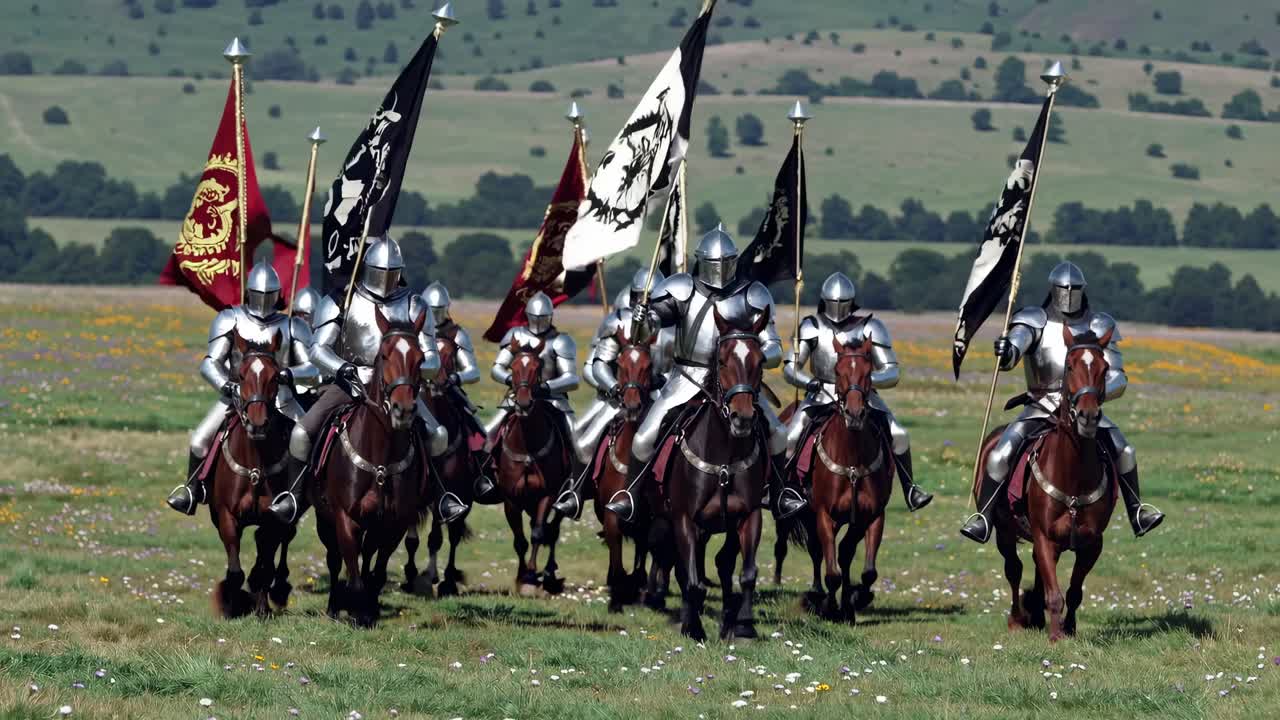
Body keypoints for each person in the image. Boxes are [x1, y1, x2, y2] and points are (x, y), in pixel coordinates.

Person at [603, 225, 806, 522]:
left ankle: (779, 493)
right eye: (714, 264)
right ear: (702, 261)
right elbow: (646, 333)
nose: (720, 270)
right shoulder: (681, 289)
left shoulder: (751, 294)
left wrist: (758, 356)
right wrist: (642, 319)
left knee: (777, 432)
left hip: (736, 381)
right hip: (687, 378)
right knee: (645, 436)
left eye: (726, 264)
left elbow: (772, 347)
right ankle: (632, 494)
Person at [960, 261, 1165, 543]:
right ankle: (983, 518)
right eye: (1063, 289)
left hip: (1085, 408)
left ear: (1083, 291)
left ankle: (1137, 511)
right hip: (1040, 406)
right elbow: (1014, 353)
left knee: (1125, 451)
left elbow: (1119, 376)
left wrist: (1093, 393)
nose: (1069, 294)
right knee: (999, 454)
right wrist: (1006, 350)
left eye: (1075, 289)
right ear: (1053, 290)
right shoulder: (1034, 320)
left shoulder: (1099, 325)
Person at [271, 235, 455, 524]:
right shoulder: (342, 300)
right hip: (349, 382)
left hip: (398, 384)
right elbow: (318, 349)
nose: (386, 280)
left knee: (438, 435)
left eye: (392, 273)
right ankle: (295, 493)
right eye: (381, 273)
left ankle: (440, 496)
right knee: (302, 433)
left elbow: (431, 356)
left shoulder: (415, 304)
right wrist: (343, 368)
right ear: (367, 268)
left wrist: (416, 370)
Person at [167, 263, 319, 514]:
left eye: (268, 295)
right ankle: (192, 490)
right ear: (249, 293)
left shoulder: (293, 325)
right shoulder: (230, 318)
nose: (263, 301)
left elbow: (312, 369)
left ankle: (300, 494)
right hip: (237, 396)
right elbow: (210, 363)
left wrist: (287, 374)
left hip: (282, 398)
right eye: (259, 295)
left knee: (308, 440)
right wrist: (227, 385)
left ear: (277, 294)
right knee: (199, 441)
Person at [783, 272, 934, 511]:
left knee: (900, 434)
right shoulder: (811, 326)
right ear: (825, 301)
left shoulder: (870, 327)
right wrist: (807, 382)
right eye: (834, 303)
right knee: (790, 437)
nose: (838, 309)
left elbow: (892, 371)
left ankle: (910, 489)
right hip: (821, 392)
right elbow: (790, 367)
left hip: (863, 394)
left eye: (844, 304)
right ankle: (785, 491)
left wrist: (864, 381)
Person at [555, 269, 677, 518]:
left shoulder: (674, 328)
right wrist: (613, 386)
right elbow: (599, 363)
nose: (646, 303)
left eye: (653, 299)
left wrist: (660, 381)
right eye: (641, 297)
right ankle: (575, 493)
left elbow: (680, 367)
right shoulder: (618, 321)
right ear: (632, 296)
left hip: (659, 397)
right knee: (582, 439)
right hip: (618, 397)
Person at [421, 281, 496, 501]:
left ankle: (481, 476)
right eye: (432, 310)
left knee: (477, 431)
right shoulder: (414, 333)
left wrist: (454, 377)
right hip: (419, 394)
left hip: (449, 394)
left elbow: (473, 371)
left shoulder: (456, 334)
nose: (435, 315)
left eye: (439, 310)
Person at [484, 290, 579, 455]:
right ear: (528, 315)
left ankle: (575, 477)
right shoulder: (515, 336)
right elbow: (497, 368)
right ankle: (485, 474)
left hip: (553, 399)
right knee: (488, 434)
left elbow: (571, 379)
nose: (539, 321)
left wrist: (546, 387)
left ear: (550, 316)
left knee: (576, 439)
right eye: (535, 317)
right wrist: (511, 380)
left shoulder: (560, 341)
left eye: (543, 317)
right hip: (517, 396)